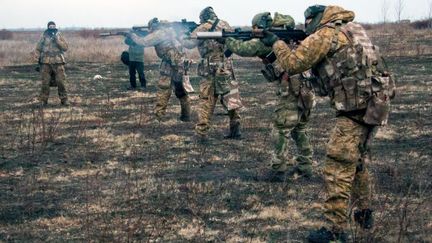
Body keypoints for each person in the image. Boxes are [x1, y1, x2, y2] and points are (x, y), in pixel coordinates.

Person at [260, 5, 395, 242]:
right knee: (358, 161)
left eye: (308, 22)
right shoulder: (354, 29)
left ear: (316, 20)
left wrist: (276, 43)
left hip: (355, 108)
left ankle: (335, 230)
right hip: (375, 104)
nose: (306, 27)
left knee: (337, 165)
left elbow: (293, 64)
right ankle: (364, 213)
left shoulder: (326, 33)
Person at [225, 12, 315, 181]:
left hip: (291, 92)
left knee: (280, 130)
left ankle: (278, 170)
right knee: (299, 129)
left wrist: (227, 39)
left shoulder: (273, 41)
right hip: (307, 90)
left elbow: (246, 49)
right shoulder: (293, 40)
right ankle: (305, 167)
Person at [181, 6, 243, 141]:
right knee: (230, 97)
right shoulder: (225, 24)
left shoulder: (203, 27)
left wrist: (181, 35)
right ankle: (236, 128)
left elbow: (189, 43)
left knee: (206, 99)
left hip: (210, 67)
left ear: (203, 17)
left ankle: (201, 133)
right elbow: (234, 44)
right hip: (226, 65)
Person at [128, 18, 191, 122]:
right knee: (181, 90)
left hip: (170, 64)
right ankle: (186, 116)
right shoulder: (172, 31)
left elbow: (144, 42)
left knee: (163, 89)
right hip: (180, 64)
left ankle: (159, 116)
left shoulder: (160, 33)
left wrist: (132, 35)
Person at [35, 21, 69, 106]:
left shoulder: (59, 35)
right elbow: (38, 48)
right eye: (50, 26)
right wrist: (36, 59)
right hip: (45, 62)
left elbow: (65, 47)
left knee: (61, 82)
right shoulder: (44, 36)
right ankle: (43, 101)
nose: (52, 27)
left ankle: (64, 100)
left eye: (53, 26)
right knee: (45, 82)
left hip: (58, 62)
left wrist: (57, 41)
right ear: (48, 27)